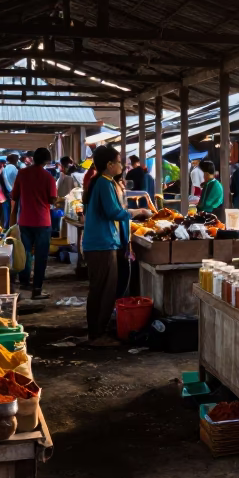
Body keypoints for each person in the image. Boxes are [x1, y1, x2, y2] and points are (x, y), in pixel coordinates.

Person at [82, 145, 152, 347]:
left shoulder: (104, 182)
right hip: (101, 244)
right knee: (104, 290)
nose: (122, 165)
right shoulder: (104, 184)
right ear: (109, 165)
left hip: (103, 242)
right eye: (119, 161)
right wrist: (138, 212)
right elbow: (113, 212)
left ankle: (95, 331)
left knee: (101, 289)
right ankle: (97, 335)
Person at [10, 147, 59, 300]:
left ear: (33, 158)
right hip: (43, 222)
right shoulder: (48, 177)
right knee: (41, 256)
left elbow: (15, 196)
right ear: (47, 161)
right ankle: (37, 289)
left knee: (24, 253)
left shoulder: (22, 173)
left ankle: (24, 283)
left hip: (24, 220)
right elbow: (52, 199)